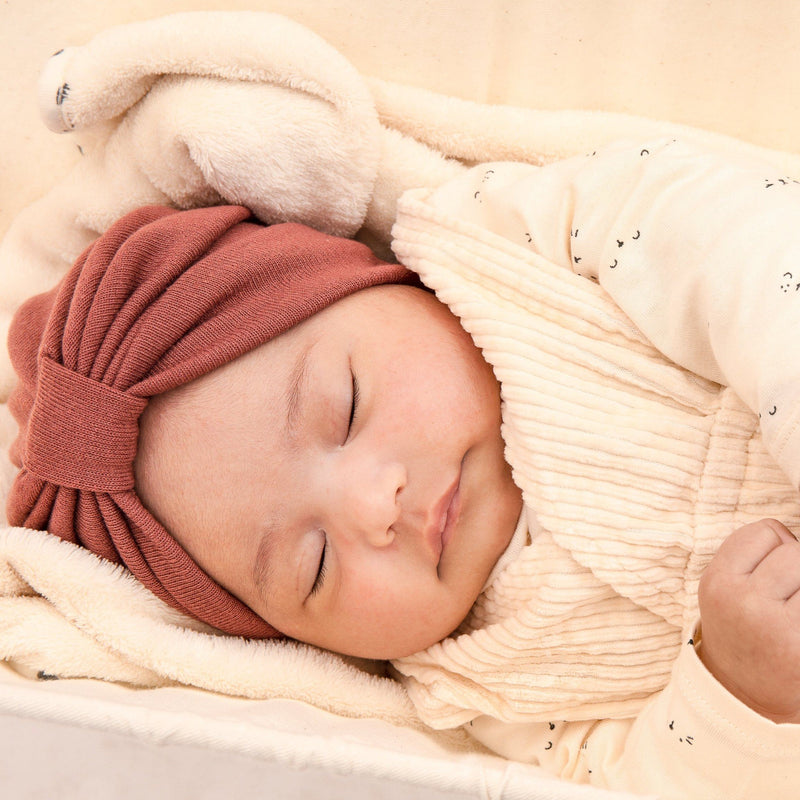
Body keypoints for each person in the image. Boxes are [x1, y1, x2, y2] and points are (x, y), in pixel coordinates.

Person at [5, 139, 800, 798]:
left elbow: (726, 237)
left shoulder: (515, 245)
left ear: (384, 279)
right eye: (312, 567)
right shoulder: (488, 691)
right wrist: (740, 693)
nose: (369, 505)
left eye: (345, 407)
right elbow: (633, 784)